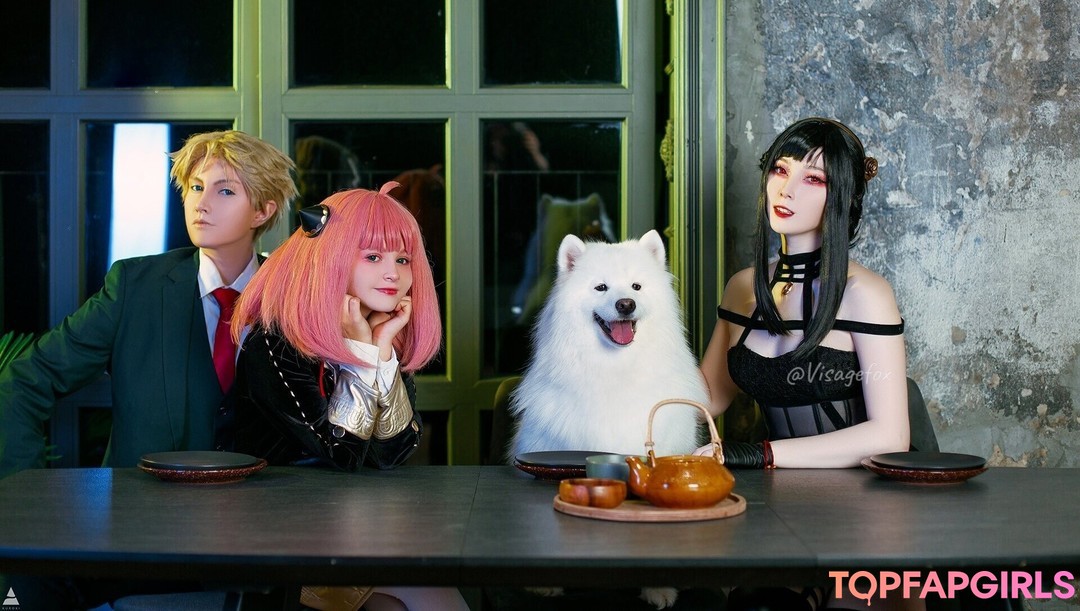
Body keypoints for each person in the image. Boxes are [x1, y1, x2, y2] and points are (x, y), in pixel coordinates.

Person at [0, 130, 296, 608]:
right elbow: (25, 382)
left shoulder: (293, 302)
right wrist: (24, 495)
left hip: (261, 547)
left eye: (225, 191)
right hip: (137, 545)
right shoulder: (134, 286)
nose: (202, 203)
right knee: (20, 592)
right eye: (195, 187)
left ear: (262, 211)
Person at [697, 118, 914, 610]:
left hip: (868, 501)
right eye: (780, 169)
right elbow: (708, 396)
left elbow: (890, 436)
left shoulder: (865, 294)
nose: (787, 189)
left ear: (842, 197)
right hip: (774, 501)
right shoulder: (743, 287)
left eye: (813, 178)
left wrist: (759, 455)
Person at [230, 184, 467, 611]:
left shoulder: (378, 335)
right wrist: (363, 358)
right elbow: (341, 453)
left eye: (402, 259)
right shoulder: (274, 342)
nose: (393, 273)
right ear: (329, 256)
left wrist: (380, 350)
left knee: (426, 593)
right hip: (277, 538)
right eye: (373, 257)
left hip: (355, 526)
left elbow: (392, 454)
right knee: (427, 595)